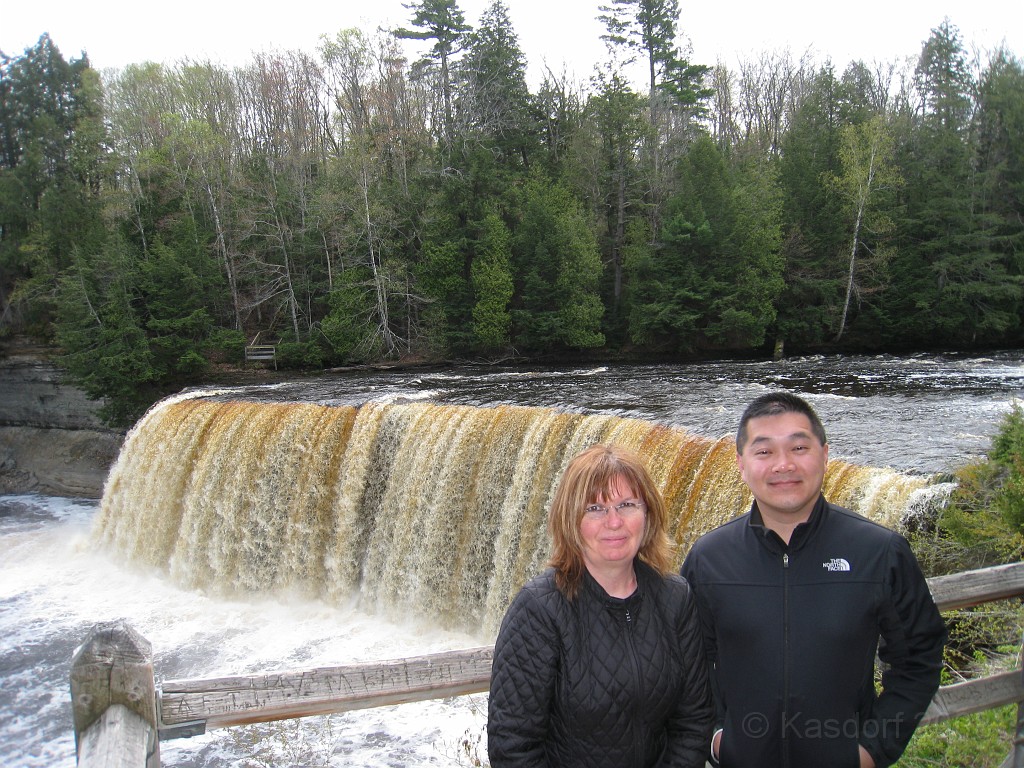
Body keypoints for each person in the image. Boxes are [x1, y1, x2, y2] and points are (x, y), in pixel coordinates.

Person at [681, 392, 947, 768]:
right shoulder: (708, 559)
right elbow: (686, 663)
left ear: (824, 454)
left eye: (799, 447)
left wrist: (872, 750)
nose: (783, 465)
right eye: (764, 452)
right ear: (741, 465)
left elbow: (920, 655)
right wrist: (718, 737)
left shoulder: (880, 552)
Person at [488, 443, 713, 768]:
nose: (614, 521)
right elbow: (513, 746)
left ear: (647, 514)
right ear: (570, 519)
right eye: (594, 508)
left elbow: (693, 721)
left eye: (627, 504)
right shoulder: (540, 610)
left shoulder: (675, 599)